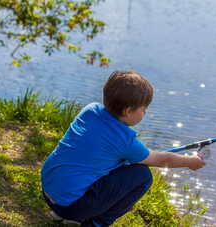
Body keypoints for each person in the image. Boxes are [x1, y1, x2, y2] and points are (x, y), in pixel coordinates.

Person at [41, 70, 206, 226]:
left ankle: (64, 212)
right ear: (128, 111)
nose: (145, 114)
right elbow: (162, 159)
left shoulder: (90, 110)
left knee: (116, 165)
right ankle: (97, 224)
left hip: (48, 190)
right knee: (143, 175)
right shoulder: (125, 141)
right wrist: (190, 161)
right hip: (71, 206)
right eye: (144, 110)